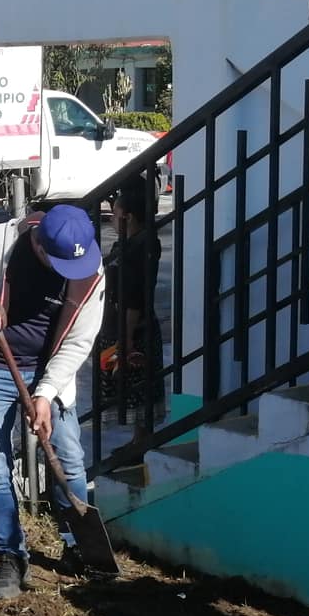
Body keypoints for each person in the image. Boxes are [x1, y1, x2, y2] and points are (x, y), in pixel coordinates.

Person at [0, 203, 106, 599]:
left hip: (51, 375)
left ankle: (77, 547)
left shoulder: (91, 269)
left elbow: (79, 341)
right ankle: (10, 555)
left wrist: (45, 393)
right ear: (40, 245)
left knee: (68, 460)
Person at [104, 173, 166, 426]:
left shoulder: (141, 246)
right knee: (128, 386)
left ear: (127, 216)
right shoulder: (126, 244)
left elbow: (135, 296)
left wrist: (126, 337)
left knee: (136, 386)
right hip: (119, 323)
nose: (110, 220)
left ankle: (141, 441)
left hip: (132, 327)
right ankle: (137, 441)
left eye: (114, 214)